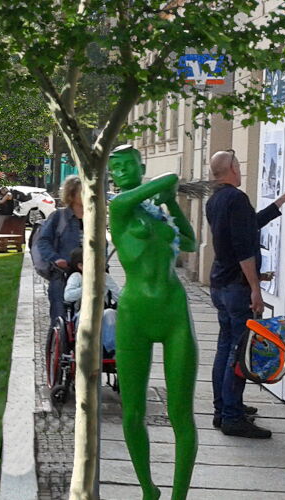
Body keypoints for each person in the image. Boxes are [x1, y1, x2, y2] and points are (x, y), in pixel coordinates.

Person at [107, 145, 199, 499]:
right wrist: (166, 189)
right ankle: (148, 489)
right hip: (135, 314)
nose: (123, 172)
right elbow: (171, 176)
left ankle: (179, 496)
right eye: (117, 167)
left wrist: (171, 203)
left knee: (181, 412)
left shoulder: (156, 213)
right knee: (133, 410)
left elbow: (190, 242)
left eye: (129, 165)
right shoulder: (119, 206)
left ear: (140, 166)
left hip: (174, 311)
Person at [205, 149, 285, 439]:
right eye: (238, 163)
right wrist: (255, 288)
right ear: (233, 168)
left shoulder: (215, 200)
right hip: (237, 288)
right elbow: (244, 249)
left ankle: (223, 409)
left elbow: (248, 227)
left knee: (226, 348)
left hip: (221, 284)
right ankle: (232, 417)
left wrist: (280, 201)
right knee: (239, 351)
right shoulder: (236, 198)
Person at [33, 175, 83, 323]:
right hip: (62, 274)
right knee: (59, 317)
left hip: (90, 274)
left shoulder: (95, 218)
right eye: (83, 191)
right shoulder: (59, 216)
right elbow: (43, 241)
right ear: (72, 195)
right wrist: (56, 259)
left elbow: (102, 245)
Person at [63, 248, 121, 352]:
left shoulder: (105, 277)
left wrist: (106, 283)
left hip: (103, 312)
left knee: (110, 313)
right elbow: (68, 296)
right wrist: (88, 286)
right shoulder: (77, 277)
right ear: (80, 266)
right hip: (82, 312)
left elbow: (119, 296)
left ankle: (110, 349)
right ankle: (87, 345)